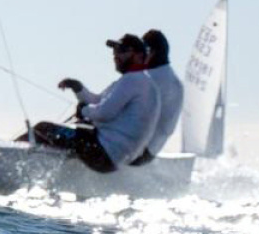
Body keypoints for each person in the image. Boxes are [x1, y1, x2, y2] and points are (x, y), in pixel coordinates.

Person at [33, 34, 160, 173]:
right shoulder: (145, 83)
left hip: (102, 153)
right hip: (120, 157)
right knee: (77, 131)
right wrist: (78, 88)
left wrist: (83, 110)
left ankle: (18, 156)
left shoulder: (131, 80)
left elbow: (104, 112)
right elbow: (98, 101)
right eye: (115, 51)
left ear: (139, 56)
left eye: (122, 50)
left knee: (42, 128)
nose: (116, 55)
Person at [138, 28, 184, 160]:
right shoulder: (174, 81)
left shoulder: (150, 79)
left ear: (151, 52)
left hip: (137, 152)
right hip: (151, 150)